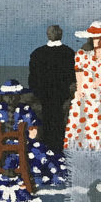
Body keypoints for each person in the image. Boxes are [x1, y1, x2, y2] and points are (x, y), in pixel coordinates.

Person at [64, 20, 101, 150]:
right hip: (86, 92)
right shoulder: (82, 54)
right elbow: (79, 73)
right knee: (83, 119)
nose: (97, 40)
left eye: (100, 38)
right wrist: (79, 89)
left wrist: (99, 81)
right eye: (95, 38)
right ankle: (81, 148)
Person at [28, 25, 75, 153]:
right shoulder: (69, 53)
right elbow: (72, 77)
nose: (52, 33)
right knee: (57, 122)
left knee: (49, 121)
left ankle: (50, 149)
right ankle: (57, 149)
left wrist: (38, 92)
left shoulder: (37, 53)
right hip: (59, 95)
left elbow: (32, 79)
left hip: (47, 95)